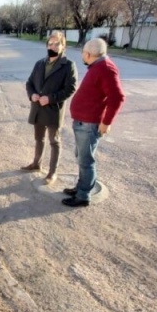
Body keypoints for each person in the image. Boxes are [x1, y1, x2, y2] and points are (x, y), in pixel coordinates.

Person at [63, 38, 126, 208]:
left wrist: (106, 122)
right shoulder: (97, 66)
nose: (82, 55)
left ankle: (83, 196)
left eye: (83, 52)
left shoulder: (105, 68)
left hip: (89, 124)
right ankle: (81, 187)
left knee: (86, 160)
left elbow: (117, 97)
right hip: (83, 122)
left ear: (88, 54)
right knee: (81, 157)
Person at [21, 31, 78, 185]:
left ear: (63, 46)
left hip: (53, 110)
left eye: (56, 44)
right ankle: (36, 163)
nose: (53, 46)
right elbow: (29, 83)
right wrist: (32, 94)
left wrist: (51, 98)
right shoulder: (40, 63)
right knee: (39, 138)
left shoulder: (68, 65)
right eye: (50, 44)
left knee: (54, 141)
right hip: (38, 108)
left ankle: (52, 172)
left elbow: (70, 88)